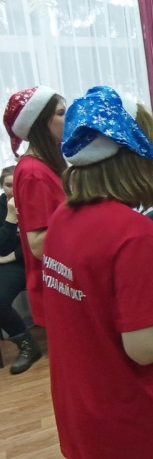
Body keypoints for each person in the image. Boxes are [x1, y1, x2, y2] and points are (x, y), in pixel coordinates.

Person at [43, 85, 153, 459]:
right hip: (144, 431)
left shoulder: (62, 218)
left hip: (90, 420)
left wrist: (151, 302)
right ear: (135, 154)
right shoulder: (133, 231)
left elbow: (94, 303)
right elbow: (144, 348)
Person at [2, 86, 65, 374]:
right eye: (61, 113)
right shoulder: (33, 173)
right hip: (58, 282)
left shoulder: (44, 166)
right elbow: (38, 245)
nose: (68, 118)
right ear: (40, 122)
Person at [0, 166, 30, 373]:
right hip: (15, 265)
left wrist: (13, 255)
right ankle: (27, 346)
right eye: (8, 185)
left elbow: (43, 238)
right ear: (3, 187)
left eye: (16, 184)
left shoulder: (35, 199)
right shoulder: (2, 206)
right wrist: (11, 218)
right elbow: (1, 247)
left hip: (41, 259)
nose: (13, 189)